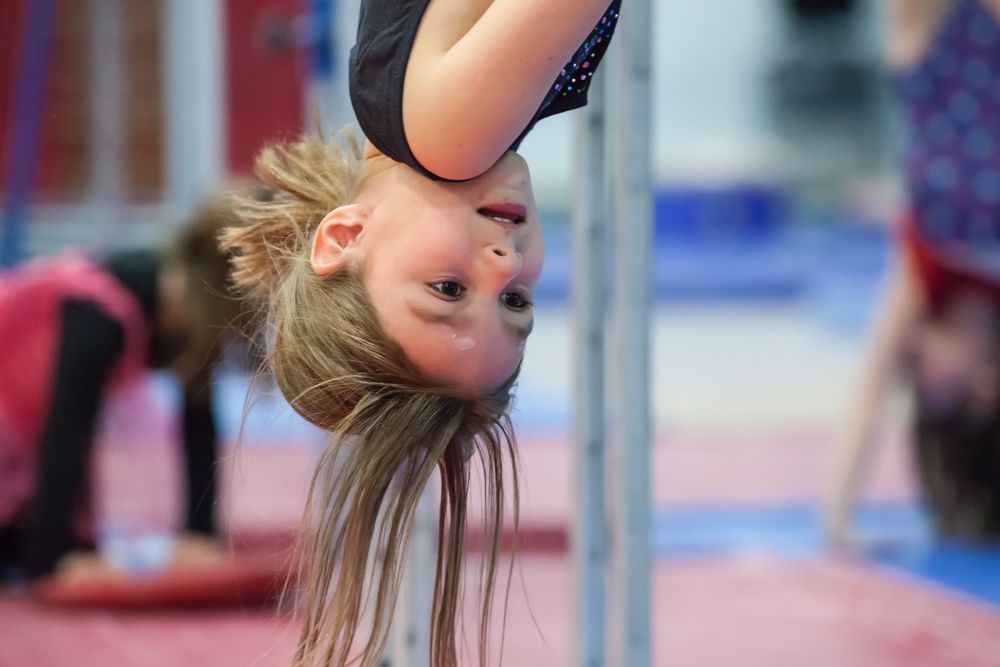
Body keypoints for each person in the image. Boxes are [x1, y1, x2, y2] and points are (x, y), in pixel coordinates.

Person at [222, 0, 622, 664]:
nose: (505, 266)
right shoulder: (401, 106)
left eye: (448, 291)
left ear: (344, 234)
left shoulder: (450, 133)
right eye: (517, 302)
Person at [0, 189, 250, 584]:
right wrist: (54, 557)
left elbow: (198, 415)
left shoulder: (170, 298)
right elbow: (66, 432)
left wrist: (199, 534)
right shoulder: (97, 311)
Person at [825, 0, 1000, 546]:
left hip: (936, 58)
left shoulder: (924, 272)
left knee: (909, 36)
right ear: (984, 391)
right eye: (932, 385)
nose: (916, 359)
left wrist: (838, 521)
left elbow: (868, 391)